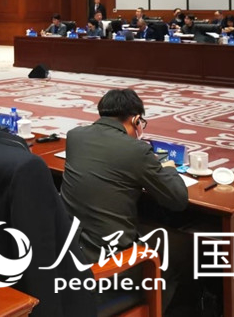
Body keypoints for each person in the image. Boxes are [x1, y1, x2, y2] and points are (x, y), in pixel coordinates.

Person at [61, 89, 190, 315]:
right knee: (185, 249)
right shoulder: (136, 150)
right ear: (136, 120)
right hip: (110, 264)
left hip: (73, 251)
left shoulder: (75, 136)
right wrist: (169, 168)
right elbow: (178, 199)